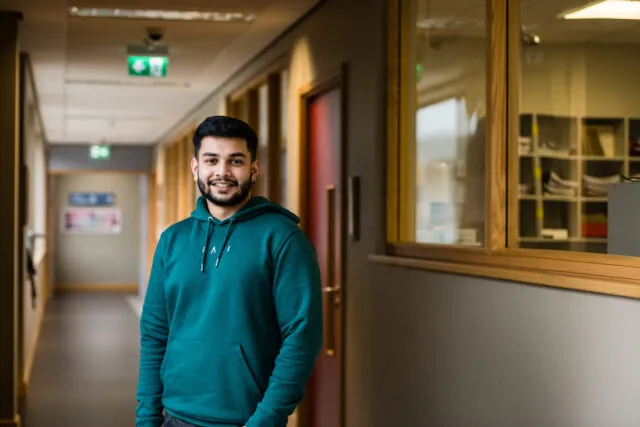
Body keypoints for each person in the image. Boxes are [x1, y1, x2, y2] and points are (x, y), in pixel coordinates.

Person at [136, 115, 324, 427]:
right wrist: (146, 417)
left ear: (254, 168)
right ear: (196, 167)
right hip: (174, 418)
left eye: (235, 161)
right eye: (212, 160)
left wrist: (267, 419)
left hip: (247, 419)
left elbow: (301, 337)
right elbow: (155, 333)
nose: (222, 172)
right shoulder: (173, 240)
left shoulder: (282, 238)